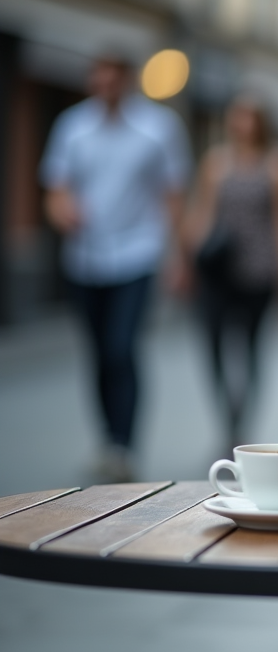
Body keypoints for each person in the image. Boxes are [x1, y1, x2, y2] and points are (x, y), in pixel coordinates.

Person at [40, 53, 191, 482]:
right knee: (98, 354)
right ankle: (107, 438)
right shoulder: (72, 126)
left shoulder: (159, 127)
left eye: (113, 80)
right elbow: (56, 189)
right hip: (85, 258)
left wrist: (177, 256)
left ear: (126, 81)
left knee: (121, 347)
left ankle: (124, 445)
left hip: (137, 254)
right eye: (98, 80)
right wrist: (63, 212)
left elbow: (173, 195)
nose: (105, 88)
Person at [185, 98, 278, 449]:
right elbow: (204, 212)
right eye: (236, 117)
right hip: (217, 268)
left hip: (258, 270)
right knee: (213, 346)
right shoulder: (216, 163)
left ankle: (242, 421)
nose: (241, 124)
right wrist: (186, 256)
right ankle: (228, 416)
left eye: (249, 117)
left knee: (251, 348)